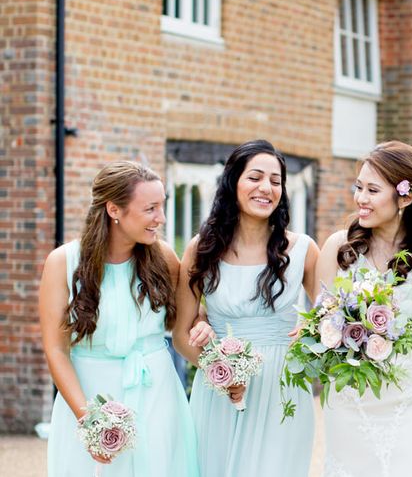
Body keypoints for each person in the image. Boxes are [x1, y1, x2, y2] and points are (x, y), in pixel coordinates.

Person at [40, 161, 198, 476]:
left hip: (156, 391)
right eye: (150, 209)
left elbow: (188, 318)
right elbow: (56, 349)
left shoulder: (164, 256)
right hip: (88, 392)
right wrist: (90, 420)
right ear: (114, 209)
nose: (161, 218)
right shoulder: (63, 262)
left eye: (162, 206)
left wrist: (202, 325)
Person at [174, 140, 319, 477]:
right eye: (255, 177)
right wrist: (219, 371)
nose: (266, 188)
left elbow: (331, 318)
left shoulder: (303, 250)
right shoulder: (202, 249)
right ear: (233, 182)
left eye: (275, 181)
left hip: (283, 389)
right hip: (221, 391)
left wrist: (311, 337)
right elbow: (181, 335)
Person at [317, 140, 412, 477]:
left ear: (405, 197)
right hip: (351, 396)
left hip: (410, 396)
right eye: (359, 187)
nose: (361, 199)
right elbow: (320, 319)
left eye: (372, 190)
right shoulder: (339, 247)